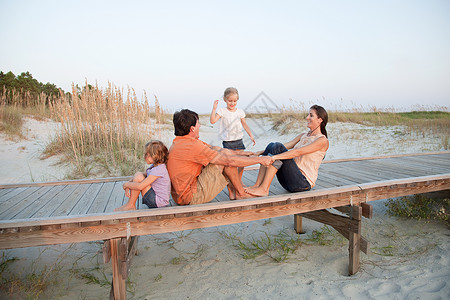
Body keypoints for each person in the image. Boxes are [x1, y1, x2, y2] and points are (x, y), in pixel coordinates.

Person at [167, 109, 274, 205]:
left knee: (224, 157)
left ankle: (234, 192)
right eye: (198, 124)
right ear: (192, 129)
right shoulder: (192, 146)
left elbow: (216, 149)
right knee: (225, 161)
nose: (199, 126)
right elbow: (227, 160)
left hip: (181, 196)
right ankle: (241, 193)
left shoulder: (181, 142)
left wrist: (242, 154)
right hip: (191, 197)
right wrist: (260, 160)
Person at [245, 105, 329, 197]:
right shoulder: (304, 135)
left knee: (277, 147)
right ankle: (257, 185)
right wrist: (259, 153)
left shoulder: (322, 140)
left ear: (320, 120)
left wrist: (273, 157)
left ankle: (264, 189)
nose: (307, 117)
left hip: (302, 183)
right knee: (272, 145)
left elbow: (298, 152)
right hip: (289, 180)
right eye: (308, 115)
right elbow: (285, 146)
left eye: (311, 115)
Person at [115, 140, 171, 211]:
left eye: (147, 154)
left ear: (155, 156)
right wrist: (128, 184)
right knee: (139, 174)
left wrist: (126, 184)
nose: (145, 156)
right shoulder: (155, 166)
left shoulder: (159, 170)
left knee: (139, 178)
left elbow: (140, 186)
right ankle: (130, 204)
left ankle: (131, 205)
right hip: (155, 198)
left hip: (158, 203)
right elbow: (141, 174)